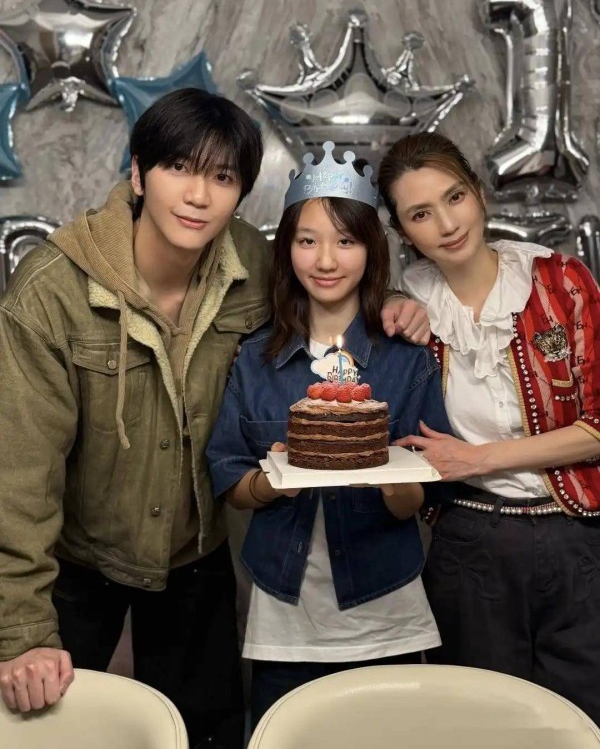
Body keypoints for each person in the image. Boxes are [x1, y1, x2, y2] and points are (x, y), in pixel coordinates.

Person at [0, 88, 427, 747]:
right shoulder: (51, 289)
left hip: (196, 557)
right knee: (58, 731)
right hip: (77, 559)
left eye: (223, 177)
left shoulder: (254, 265)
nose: (198, 195)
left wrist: (393, 302)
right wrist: (23, 630)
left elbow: (328, 281)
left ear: (241, 194)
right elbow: (20, 471)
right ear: (138, 173)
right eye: (178, 167)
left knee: (210, 734)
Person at [206, 141, 453, 729]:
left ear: (371, 248)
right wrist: (272, 483)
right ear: (286, 248)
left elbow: (423, 494)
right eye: (307, 240)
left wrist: (392, 479)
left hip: (386, 611)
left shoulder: (407, 359)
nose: (325, 260)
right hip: (284, 616)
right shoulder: (254, 360)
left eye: (345, 241)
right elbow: (229, 477)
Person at [378, 131, 600, 724]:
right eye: (421, 214)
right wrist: (389, 301)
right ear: (402, 233)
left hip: (576, 536)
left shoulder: (560, 282)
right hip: (469, 540)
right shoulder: (402, 310)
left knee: (581, 718)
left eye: (455, 198)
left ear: (478, 192)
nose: (447, 224)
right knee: (480, 723)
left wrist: (481, 457)